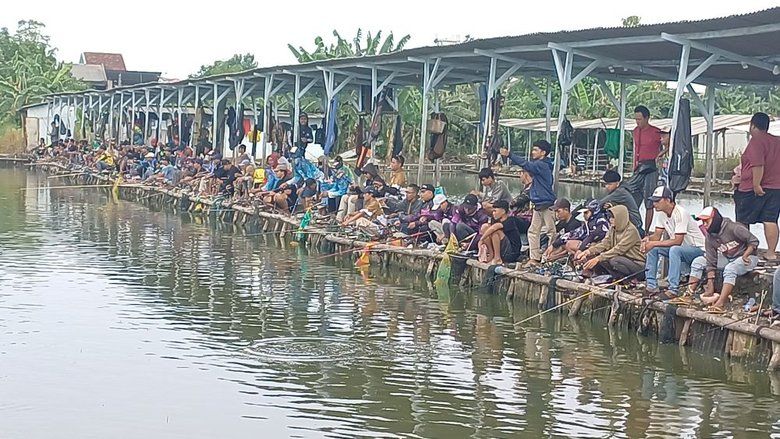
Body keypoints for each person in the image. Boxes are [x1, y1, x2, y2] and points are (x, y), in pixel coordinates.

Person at [687, 207, 759, 313]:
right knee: (698, 261)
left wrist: (745, 255)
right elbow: (711, 260)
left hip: (748, 258)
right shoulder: (709, 236)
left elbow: (754, 241)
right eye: (703, 221)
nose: (704, 225)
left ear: (715, 219)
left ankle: (721, 302)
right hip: (728, 258)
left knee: (730, 269)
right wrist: (710, 281)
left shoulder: (734, 228)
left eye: (706, 221)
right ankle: (689, 294)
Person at [499, 140, 556, 267]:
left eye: (535, 150)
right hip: (538, 204)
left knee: (551, 231)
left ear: (543, 152)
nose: (532, 152)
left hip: (546, 204)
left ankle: (551, 256)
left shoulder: (542, 165)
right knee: (533, 231)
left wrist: (510, 155)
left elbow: (525, 164)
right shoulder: (540, 165)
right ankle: (534, 258)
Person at [642, 186, 706, 299]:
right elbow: (657, 236)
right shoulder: (661, 214)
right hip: (680, 249)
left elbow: (677, 241)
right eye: (653, 201)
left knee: (674, 249)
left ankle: (673, 289)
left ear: (668, 200)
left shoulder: (680, 213)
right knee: (653, 248)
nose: (654, 204)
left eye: (657, 201)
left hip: (697, 249)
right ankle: (651, 285)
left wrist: (654, 243)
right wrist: (648, 240)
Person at [734, 112, 780, 261]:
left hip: (753, 187)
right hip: (776, 187)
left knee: (742, 219)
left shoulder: (756, 140)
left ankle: (745, 250)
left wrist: (756, 184)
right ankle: (771, 252)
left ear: (752, 124)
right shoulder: (777, 141)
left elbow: (758, 164)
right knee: (770, 219)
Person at [575, 205, 645, 283]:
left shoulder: (631, 231)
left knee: (614, 260)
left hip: (637, 264)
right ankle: (617, 277)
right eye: (609, 217)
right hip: (623, 259)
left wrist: (597, 258)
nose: (611, 220)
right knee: (603, 258)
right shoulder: (613, 228)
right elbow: (604, 244)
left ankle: (631, 278)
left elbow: (618, 249)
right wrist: (588, 252)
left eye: (613, 218)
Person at [625, 105, 664, 233]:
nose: (638, 122)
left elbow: (670, 142)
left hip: (651, 168)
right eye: (636, 119)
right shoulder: (635, 131)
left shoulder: (656, 132)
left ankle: (647, 231)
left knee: (649, 200)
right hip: (638, 167)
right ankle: (634, 228)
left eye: (640, 119)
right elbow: (636, 149)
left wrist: (660, 155)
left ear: (647, 118)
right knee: (632, 197)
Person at [599, 169, 644, 237]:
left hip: (634, 222)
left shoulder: (620, 192)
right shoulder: (619, 190)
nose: (607, 186)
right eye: (606, 184)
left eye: (610, 184)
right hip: (630, 219)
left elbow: (600, 202)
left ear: (617, 183)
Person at [478, 200, 523, 265]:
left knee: (495, 232)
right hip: (503, 249)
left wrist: (481, 240)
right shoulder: (495, 220)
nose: (493, 213)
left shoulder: (510, 220)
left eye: (495, 211)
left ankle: (497, 258)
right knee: (485, 227)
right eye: (493, 211)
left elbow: (494, 228)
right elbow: (487, 228)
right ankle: (491, 254)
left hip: (511, 253)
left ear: (503, 211)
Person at [544, 198, 583, 262]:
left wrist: (556, 256)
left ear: (566, 210)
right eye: (555, 212)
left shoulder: (574, 224)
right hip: (565, 246)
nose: (557, 214)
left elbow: (568, 245)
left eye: (558, 211)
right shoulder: (563, 222)